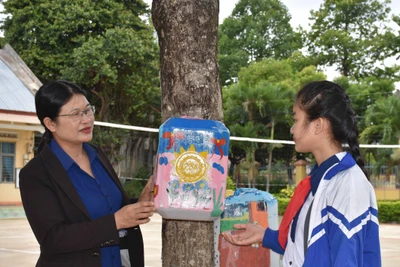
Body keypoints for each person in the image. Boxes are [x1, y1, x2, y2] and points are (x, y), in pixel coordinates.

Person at [222, 81, 381, 267]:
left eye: (296, 119)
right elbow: (306, 246)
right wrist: (263, 234)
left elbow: (346, 260)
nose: (292, 128)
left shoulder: (347, 184)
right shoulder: (319, 180)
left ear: (318, 125)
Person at [19, 80, 156, 267]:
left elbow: (107, 207)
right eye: (75, 114)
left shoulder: (97, 154)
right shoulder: (36, 173)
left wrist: (139, 204)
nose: (86, 119)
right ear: (51, 123)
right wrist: (115, 222)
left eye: (87, 110)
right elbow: (53, 239)